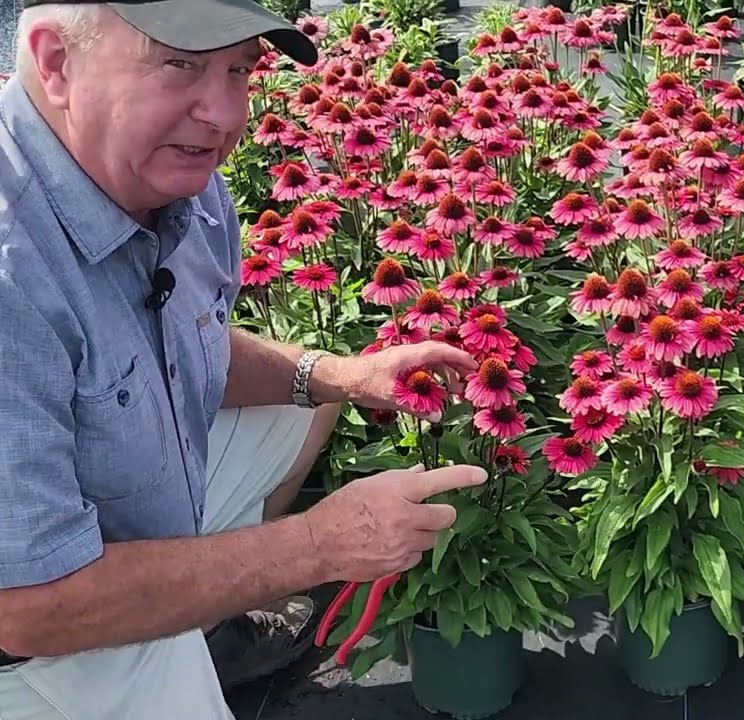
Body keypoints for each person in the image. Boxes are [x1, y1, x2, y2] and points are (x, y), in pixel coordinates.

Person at [0, 1, 487, 718]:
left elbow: (175, 335)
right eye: (181, 65)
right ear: (55, 60)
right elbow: (28, 604)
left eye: (241, 69)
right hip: (38, 634)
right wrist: (319, 546)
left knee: (310, 401)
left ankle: (200, 619)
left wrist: (339, 375)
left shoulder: (174, 179)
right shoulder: (13, 276)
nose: (226, 115)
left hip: (125, 508)